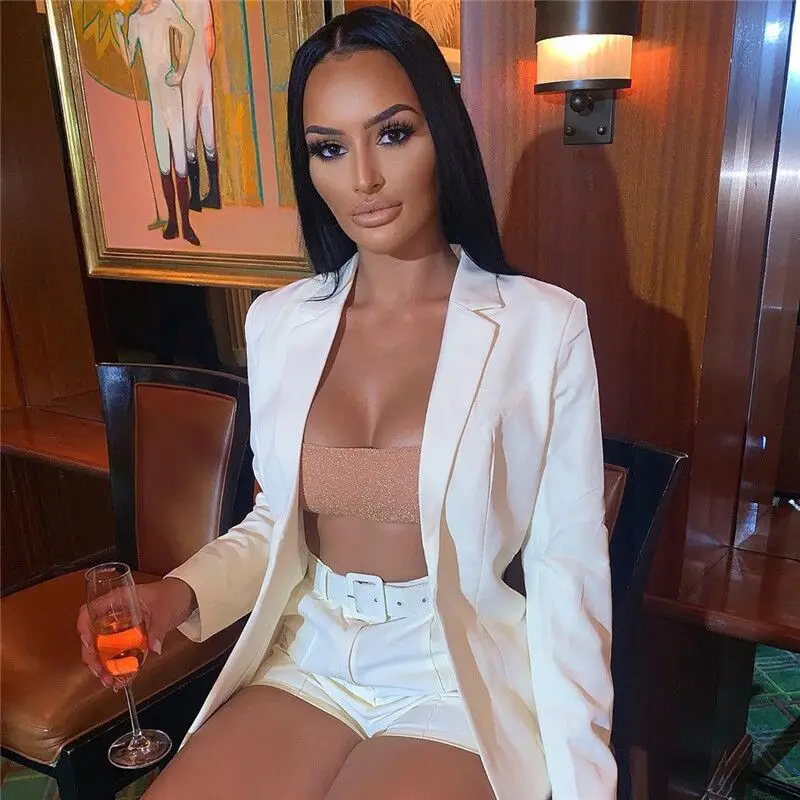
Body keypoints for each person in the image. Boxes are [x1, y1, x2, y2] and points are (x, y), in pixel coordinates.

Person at [79, 7, 616, 798]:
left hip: (450, 676)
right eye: (328, 148)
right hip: (310, 654)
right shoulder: (279, 323)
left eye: (392, 134)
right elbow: (277, 521)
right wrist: (180, 593)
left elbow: (569, 573)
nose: (362, 178)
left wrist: (584, 786)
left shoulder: (543, 327)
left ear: (442, 133)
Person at [114, 0, 200, 245]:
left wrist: (180, 71)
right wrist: (119, 30)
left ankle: (186, 225)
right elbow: (129, 58)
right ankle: (172, 222)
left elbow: (189, 32)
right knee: (164, 164)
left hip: (172, 98)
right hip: (157, 104)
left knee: (180, 164)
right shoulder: (135, 20)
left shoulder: (166, 8)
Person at [175, 0, 222, 211]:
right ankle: (214, 193)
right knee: (207, 128)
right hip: (204, 69)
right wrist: (206, 62)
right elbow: (209, 32)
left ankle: (195, 196)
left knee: (190, 134)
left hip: (189, 72)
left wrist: (182, 67)